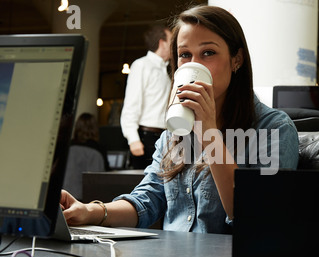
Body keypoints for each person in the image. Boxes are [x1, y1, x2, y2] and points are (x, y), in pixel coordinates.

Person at [60, 5, 299, 234]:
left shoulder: (274, 128)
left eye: (208, 53)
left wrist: (208, 132)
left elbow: (258, 219)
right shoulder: (176, 132)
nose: (194, 64)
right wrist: (91, 211)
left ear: (237, 59)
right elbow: (147, 200)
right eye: (185, 55)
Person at [120, 21, 172, 169]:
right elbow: (131, 104)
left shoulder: (166, 70)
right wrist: (133, 139)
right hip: (145, 138)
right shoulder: (141, 65)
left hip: (164, 138)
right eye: (171, 40)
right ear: (162, 43)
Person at [63, 113, 109, 200]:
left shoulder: (66, 147)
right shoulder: (99, 149)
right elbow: (106, 174)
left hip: (67, 196)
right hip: (91, 200)